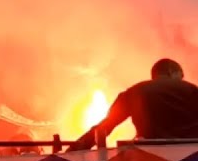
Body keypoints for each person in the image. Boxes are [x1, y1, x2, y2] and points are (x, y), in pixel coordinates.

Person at [68, 58, 198, 150]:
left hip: (150, 157)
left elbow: (107, 124)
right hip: (191, 158)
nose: (181, 80)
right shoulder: (193, 90)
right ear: (171, 72)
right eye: (181, 76)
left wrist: (72, 151)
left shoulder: (135, 91)